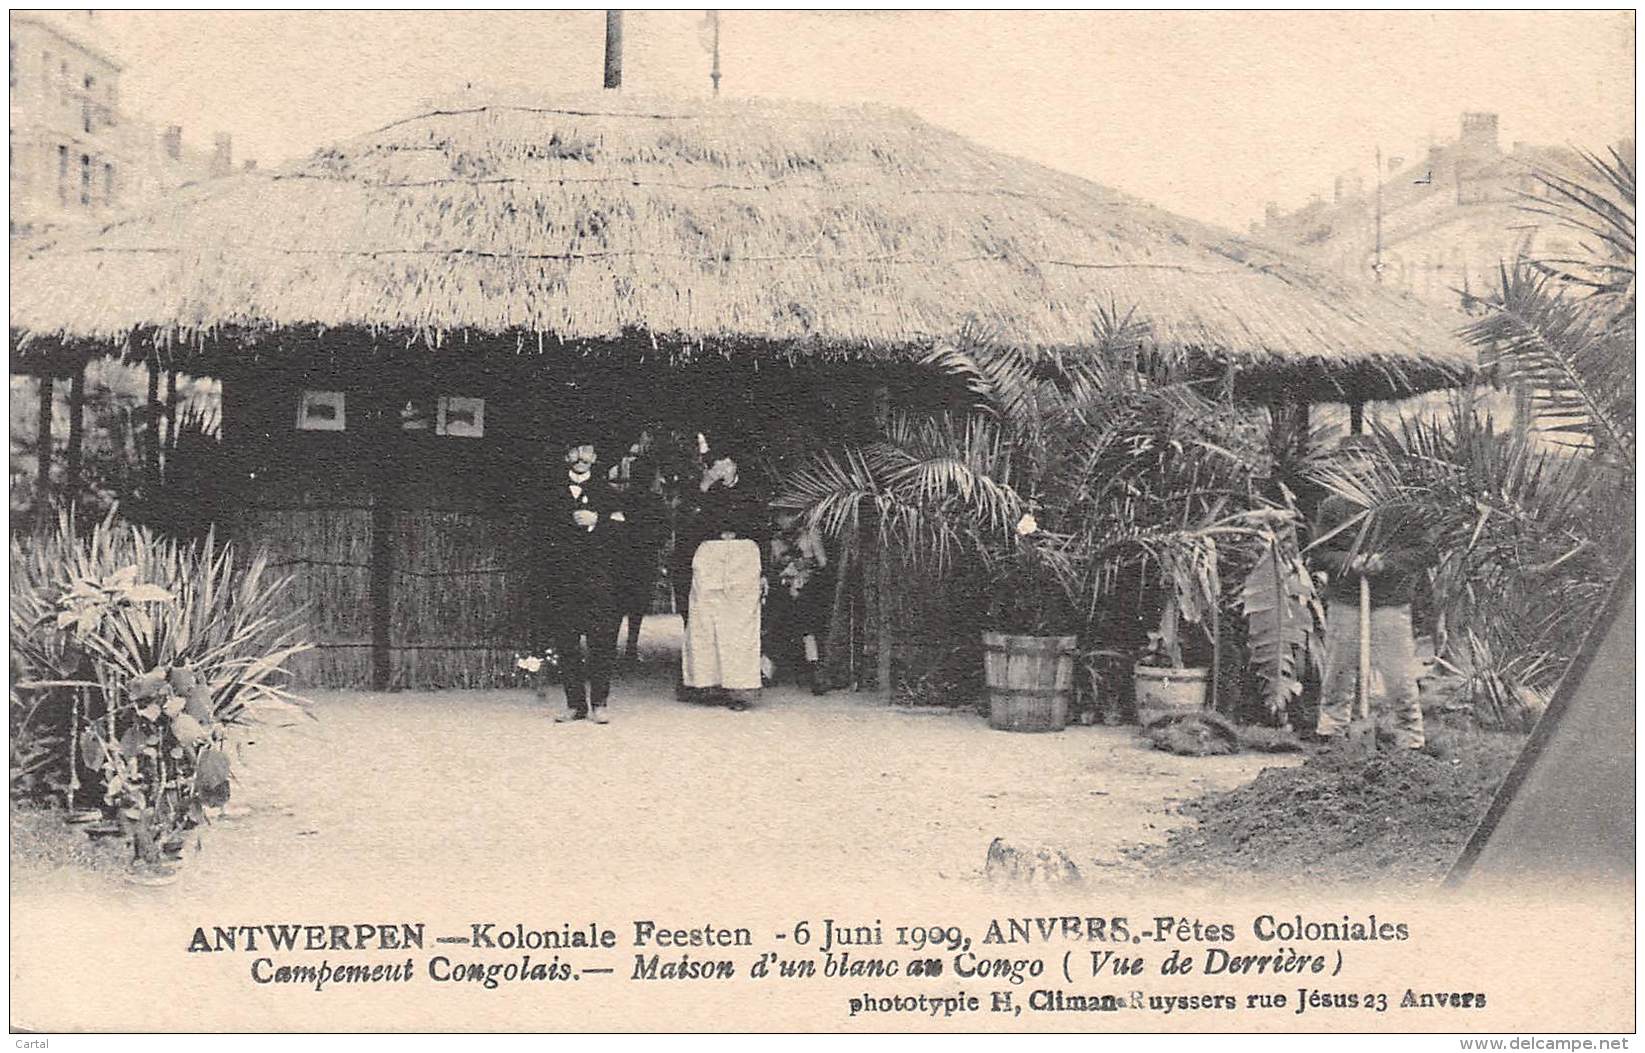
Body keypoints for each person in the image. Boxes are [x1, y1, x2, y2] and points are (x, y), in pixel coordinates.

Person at [1310, 436, 1434, 749]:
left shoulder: (1401, 505)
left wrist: (1385, 562)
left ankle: (1410, 739)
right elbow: (1320, 553)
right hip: (1347, 598)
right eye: (1348, 458)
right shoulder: (1333, 506)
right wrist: (1350, 562)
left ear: (1379, 460)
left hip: (1390, 600)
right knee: (1339, 670)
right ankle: (1331, 734)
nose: (1357, 464)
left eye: (1363, 456)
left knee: (1398, 676)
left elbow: (1424, 551)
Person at [540, 434, 625, 724]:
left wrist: (597, 521)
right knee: (567, 641)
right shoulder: (550, 491)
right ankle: (575, 704)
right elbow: (541, 531)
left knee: (600, 640)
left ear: (595, 458)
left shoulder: (608, 492)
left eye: (587, 452)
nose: (581, 457)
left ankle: (599, 703)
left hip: (597, 577)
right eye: (575, 451)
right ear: (567, 456)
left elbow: (624, 533)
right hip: (562, 577)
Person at [680, 447, 768, 711]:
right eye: (716, 465)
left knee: (740, 625)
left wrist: (765, 572)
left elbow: (762, 532)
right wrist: (704, 487)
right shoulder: (703, 492)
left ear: (735, 465)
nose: (722, 469)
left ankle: (739, 690)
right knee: (706, 621)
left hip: (743, 557)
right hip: (710, 556)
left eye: (726, 463)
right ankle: (707, 685)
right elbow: (687, 525)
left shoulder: (752, 493)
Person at [610, 454, 670, 662]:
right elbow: (664, 531)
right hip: (644, 558)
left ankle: (611, 646)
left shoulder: (621, 498)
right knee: (637, 605)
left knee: (617, 604)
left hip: (622, 558)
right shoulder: (655, 501)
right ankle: (631, 646)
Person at [766, 510, 833, 695]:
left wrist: (803, 570)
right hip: (783, 588)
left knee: (808, 629)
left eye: (788, 515)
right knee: (774, 625)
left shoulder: (811, 533)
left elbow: (823, 562)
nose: (783, 520)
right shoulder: (777, 539)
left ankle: (815, 673)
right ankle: (766, 670)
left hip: (807, 588)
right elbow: (773, 566)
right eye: (780, 516)